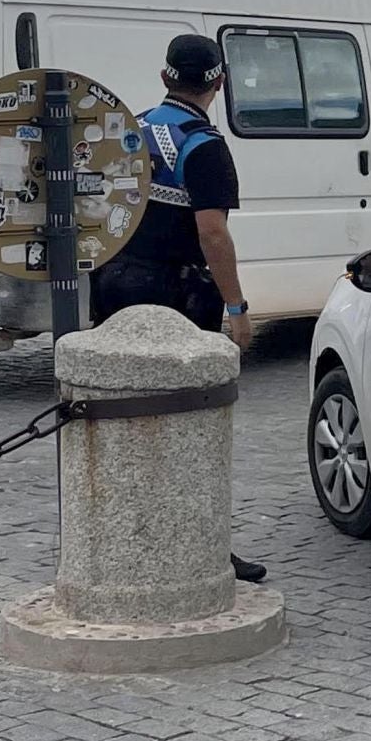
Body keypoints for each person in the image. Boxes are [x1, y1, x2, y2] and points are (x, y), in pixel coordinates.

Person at [92, 36, 265, 585]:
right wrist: (237, 308)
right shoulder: (204, 144)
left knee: (123, 419)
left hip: (115, 287)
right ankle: (203, 547)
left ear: (165, 78)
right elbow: (212, 233)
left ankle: (120, 539)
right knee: (191, 422)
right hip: (180, 297)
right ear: (218, 83)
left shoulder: (131, 128)